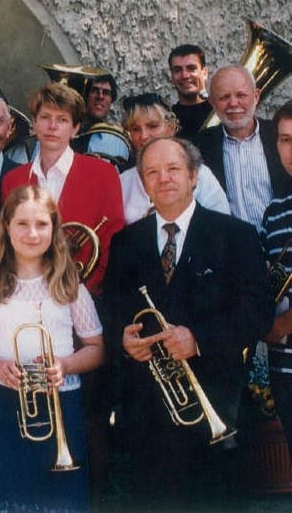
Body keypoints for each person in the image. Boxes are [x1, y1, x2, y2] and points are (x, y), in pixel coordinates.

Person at [103, 137, 273, 511]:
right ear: (143, 183)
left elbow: (257, 311)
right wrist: (123, 340)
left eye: (173, 169)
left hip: (217, 403)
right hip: (147, 415)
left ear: (194, 176)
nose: (163, 178)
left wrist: (199, 339)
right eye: (152, 172)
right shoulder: (125, 242)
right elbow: (111, 311)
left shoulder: (236, 235)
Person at [0, 184, 104, 513]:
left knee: (60, 498)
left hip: (61, 404)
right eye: (22, 224)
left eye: (41, 224)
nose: (32, 233)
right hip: (4, 404)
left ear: (54, 229)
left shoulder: (68, 281)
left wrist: (65, 365)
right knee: (9, 496)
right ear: (6, 227)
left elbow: (96, 348)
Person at [1, 82, 124, 297]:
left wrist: (84, 290)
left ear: (75, 128)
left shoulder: (103, 174)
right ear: (35, 123)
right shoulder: (14, 179)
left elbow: (112, 240)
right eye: (45, 117)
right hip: (26, 296)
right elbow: (7, 243)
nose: (52, 126)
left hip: (84, 294)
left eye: (62, 120)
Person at [192, 65, 291, 229]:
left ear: (256, 96)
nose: (233, 103)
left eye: (241, 95)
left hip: (281, 242)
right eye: (224, 97)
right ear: (212, 102)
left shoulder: (279, 135)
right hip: (231, 249)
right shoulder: (200, 145)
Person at [119, 93, 229, 225]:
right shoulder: (123, 182)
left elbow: (222, 226)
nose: (144, 136)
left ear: (171, 128)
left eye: (152, 126)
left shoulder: (199, 175)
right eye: (136, 129)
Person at [260, 100, 292, 461]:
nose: (291, 150)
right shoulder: (276, 210)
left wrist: (283, 322)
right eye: (285, 140)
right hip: (285, 366)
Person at [70, 74, 132, 171]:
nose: (100, 96)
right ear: (85, 95)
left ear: (111, 101)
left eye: (106, 93)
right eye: (95, 90)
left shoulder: (118, 142)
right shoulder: (59, 130)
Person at [168, 44, 212, 139]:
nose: (185, 75)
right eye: (177, 70)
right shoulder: (168, 118)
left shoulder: (219, 113)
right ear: (172, 76)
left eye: (191, 68)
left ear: (204, 73)